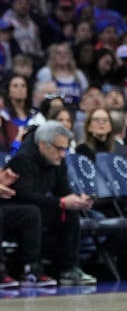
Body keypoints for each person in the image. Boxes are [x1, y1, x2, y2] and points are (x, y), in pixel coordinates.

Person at [6, 121, 97, 285]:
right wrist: (61, 202)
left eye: (65, 149)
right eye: (59, 148)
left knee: (71, 210)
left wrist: (78, 200)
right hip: (15, 210)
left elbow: (63, 190)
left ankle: (70, 269)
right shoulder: (22, 159)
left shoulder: (57, 161)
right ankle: (31, 269)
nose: (63, 154)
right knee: (31, 211)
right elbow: (24, 195)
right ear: (43, 145)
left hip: (38, 209)